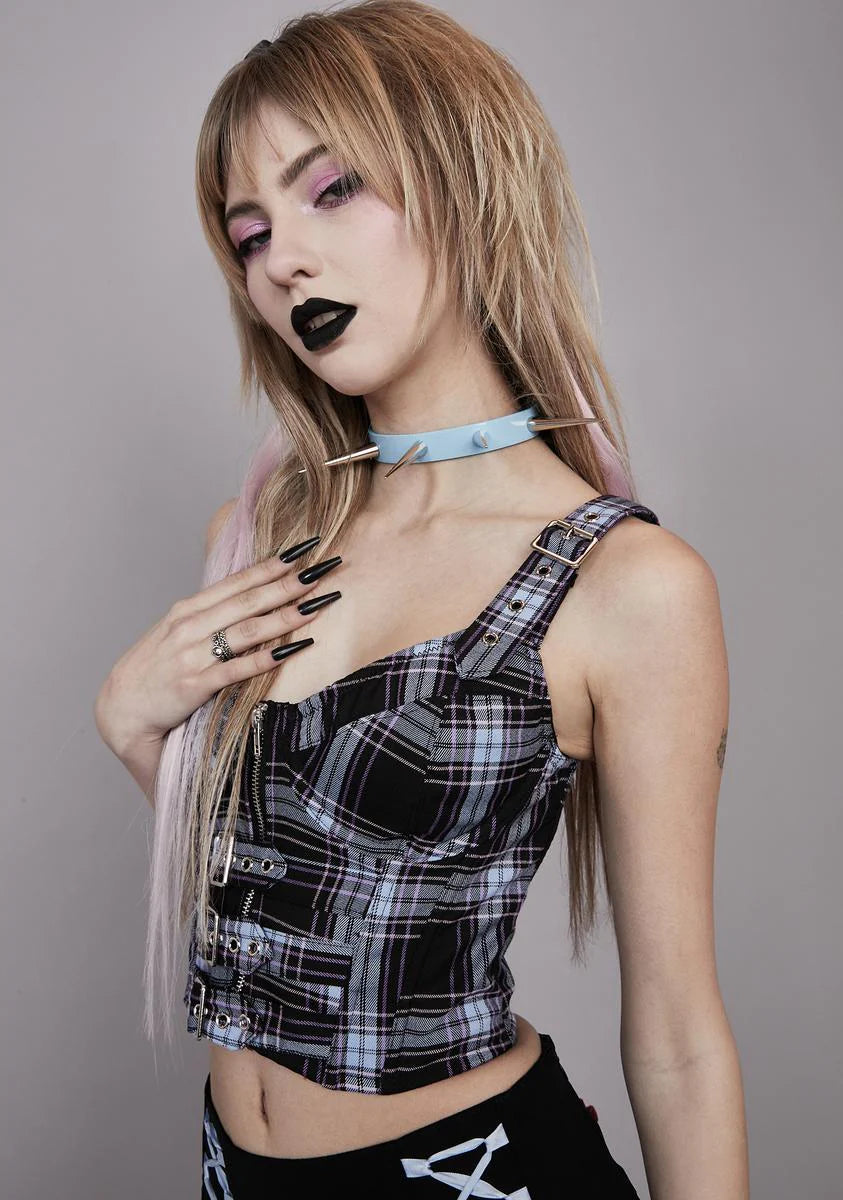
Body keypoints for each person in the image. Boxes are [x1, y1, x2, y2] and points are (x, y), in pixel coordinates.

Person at [94, 2, 749, 1196]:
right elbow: (279, 882)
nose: (283, 261)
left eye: (331, 190)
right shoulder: (262, 534)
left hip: (473, 1172)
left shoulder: (625, 587)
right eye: (251, 234)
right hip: (233, 1171)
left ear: (463, 179)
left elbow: (679, 1036)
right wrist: (135, 727)